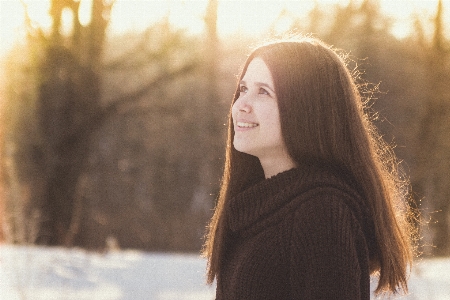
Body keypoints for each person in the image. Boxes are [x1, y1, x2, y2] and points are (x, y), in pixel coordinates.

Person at [202, 36, 415, 299]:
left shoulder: (321, 215)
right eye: (243, 89)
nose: (240, 106)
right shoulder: (256, 209)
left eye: (263, 92)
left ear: (306, 109)